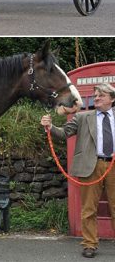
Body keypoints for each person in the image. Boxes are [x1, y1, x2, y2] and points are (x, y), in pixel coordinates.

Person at [41, 83, 115, 258]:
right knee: (89, 209)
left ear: (112, 99)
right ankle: (90, 244)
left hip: (113, 165)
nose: (96, 98)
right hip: (91, 166)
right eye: (95, 95)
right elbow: (63, 133)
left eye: (101, 96)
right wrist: (50, 127)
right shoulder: (83, 117)